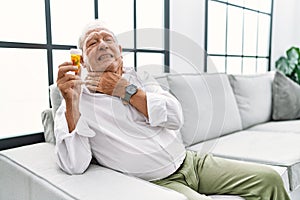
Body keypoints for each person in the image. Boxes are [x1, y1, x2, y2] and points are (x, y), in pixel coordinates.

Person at [54, 20, 290, 200]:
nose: (102, 43)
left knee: (269, 180)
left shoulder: (140, 78)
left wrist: (125, 90)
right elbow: (75, 165)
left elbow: (175, 117)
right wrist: (72, 103)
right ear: (83, 60)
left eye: (107, 39)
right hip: (156, 182)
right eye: (92, 43)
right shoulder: (74, 100)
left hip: (192, 162)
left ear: (120, 50)